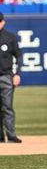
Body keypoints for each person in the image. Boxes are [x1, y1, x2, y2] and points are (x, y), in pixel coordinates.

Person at [0, 12, 22, 143]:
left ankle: (11, 134)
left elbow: (18, 56)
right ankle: (0, 136)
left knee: (7, 106)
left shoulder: (10, 37)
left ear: (3, 22)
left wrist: (17, 74)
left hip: (6, 76)